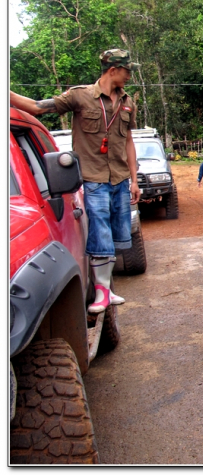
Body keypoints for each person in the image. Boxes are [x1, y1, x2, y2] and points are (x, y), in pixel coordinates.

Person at [10, 48, 141, 314]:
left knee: (116, 235)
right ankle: (101, 293)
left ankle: (106, 287)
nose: (129, 75)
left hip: (119, 178)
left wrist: (134, 180)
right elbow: (38, 107)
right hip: (93, 178)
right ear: (113, 70)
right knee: (100, 232)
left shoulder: (128, 102)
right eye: (127, 70)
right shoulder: (80, 96)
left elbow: (128, 141)